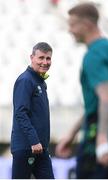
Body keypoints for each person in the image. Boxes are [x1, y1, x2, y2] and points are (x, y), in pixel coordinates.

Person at [55, 3, 108, 179]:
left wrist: (102, 139)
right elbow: (96, 103)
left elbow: (107, 98)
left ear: (86, 25)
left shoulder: (93, 56)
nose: (70, 31)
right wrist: (72, 133)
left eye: (72, 25)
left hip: (99, 140)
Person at [11, 42, 54, 179]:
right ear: (32, 57)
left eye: (48, 58)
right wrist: (34, 140)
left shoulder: (39, 81)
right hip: (27, 147)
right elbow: (20, 113)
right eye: (41, 58)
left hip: (41, 149)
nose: (45, 62)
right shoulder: (25, 80)